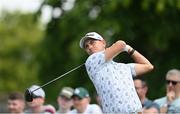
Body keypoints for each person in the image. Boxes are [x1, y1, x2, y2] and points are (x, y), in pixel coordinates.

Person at [79, 32, 154, 113]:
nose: (89, 47)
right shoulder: (91, 62)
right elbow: (121, 44)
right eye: (86, 46)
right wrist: (122, 47)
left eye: (92, 43)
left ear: (103, 42)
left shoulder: (123, 67)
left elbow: (148, 66)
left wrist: (129, 49)